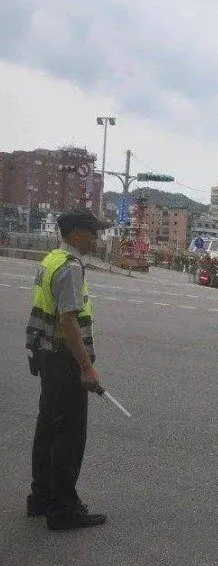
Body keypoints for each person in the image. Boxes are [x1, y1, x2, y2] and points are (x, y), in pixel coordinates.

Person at [25, 206, 111, 530]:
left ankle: (41, 498)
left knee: (48, 427)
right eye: (93, 232)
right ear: (77, 233)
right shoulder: (71, 267)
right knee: (69, 435)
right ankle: (63, 508)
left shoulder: (51, 259)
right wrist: (86, 367)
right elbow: (67, 319)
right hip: (65, 360)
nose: (96, 238)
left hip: (48, 356)